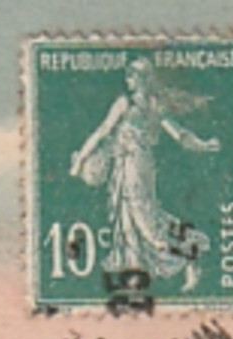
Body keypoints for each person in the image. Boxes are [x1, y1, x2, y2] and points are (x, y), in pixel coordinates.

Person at [69, 56, 220, 294]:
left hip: (135, 166)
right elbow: (179, 134)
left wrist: (79, 161)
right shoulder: (149, 104)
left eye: (133, 76)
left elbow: (103, 132)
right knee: (129, 219)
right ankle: (135, 274)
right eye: (128, 75)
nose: (128, 80)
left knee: (144, 220)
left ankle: (190, 253)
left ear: (143, 79)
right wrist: (203, 144)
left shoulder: (133, 104)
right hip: (126, 166)